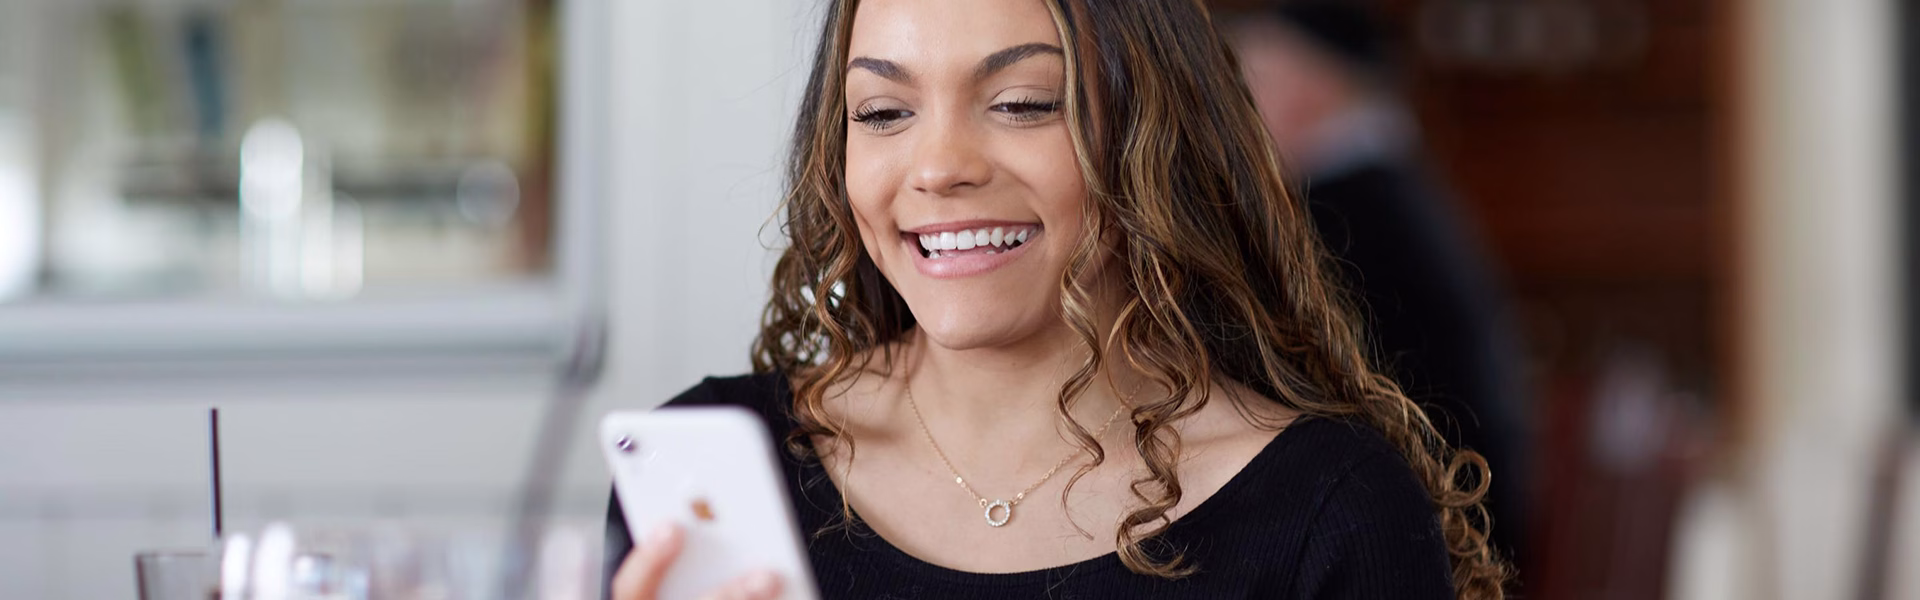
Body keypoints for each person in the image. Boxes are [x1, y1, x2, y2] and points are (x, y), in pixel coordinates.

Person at [606, 0, 1510, 598]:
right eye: (882, 113)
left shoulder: (1329, 513)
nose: (939, 167)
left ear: (1153, 141)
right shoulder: (712, 471)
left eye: (1026, 103)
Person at [1224, 1, 1529, 563]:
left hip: (1430, 533)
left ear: (1312, 87)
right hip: (1463, 510)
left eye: (1252, 78)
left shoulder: (1340, 211)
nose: (1237, 109)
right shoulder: (1387, 188)